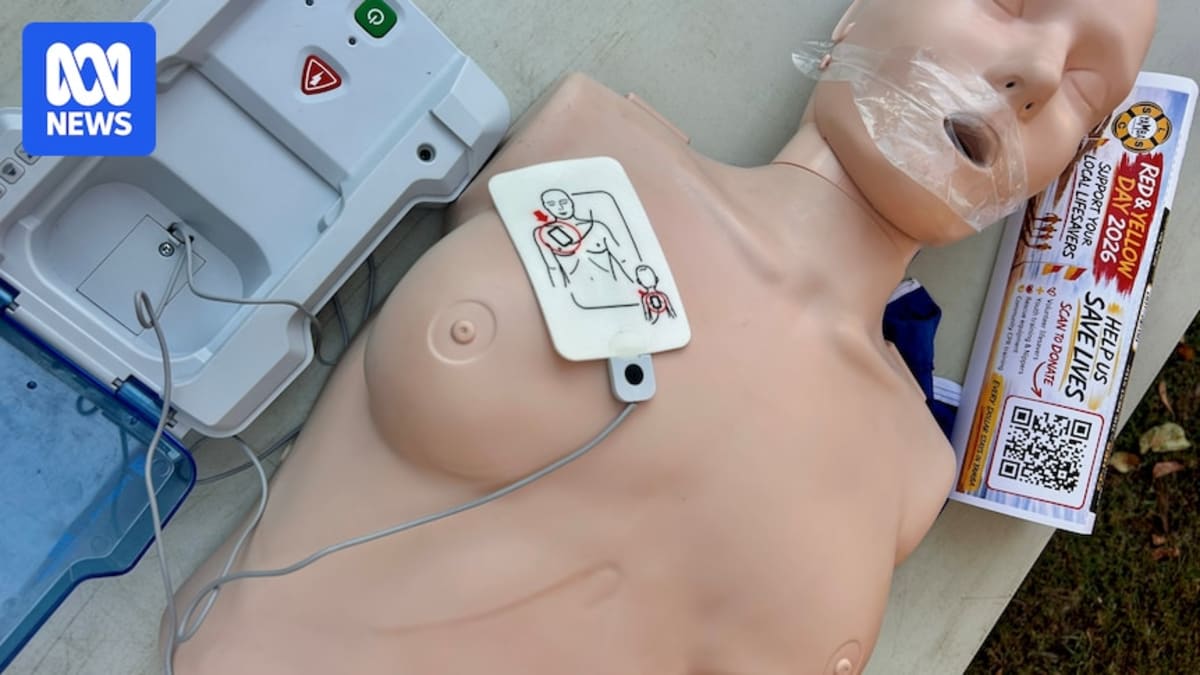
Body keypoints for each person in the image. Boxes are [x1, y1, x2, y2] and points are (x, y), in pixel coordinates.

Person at [169, 1, 1157, 672]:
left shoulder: (913, 466)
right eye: (1008, 2)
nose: (1037, 74)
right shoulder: (585, 151)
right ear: (855, 15)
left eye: (1087, 92)